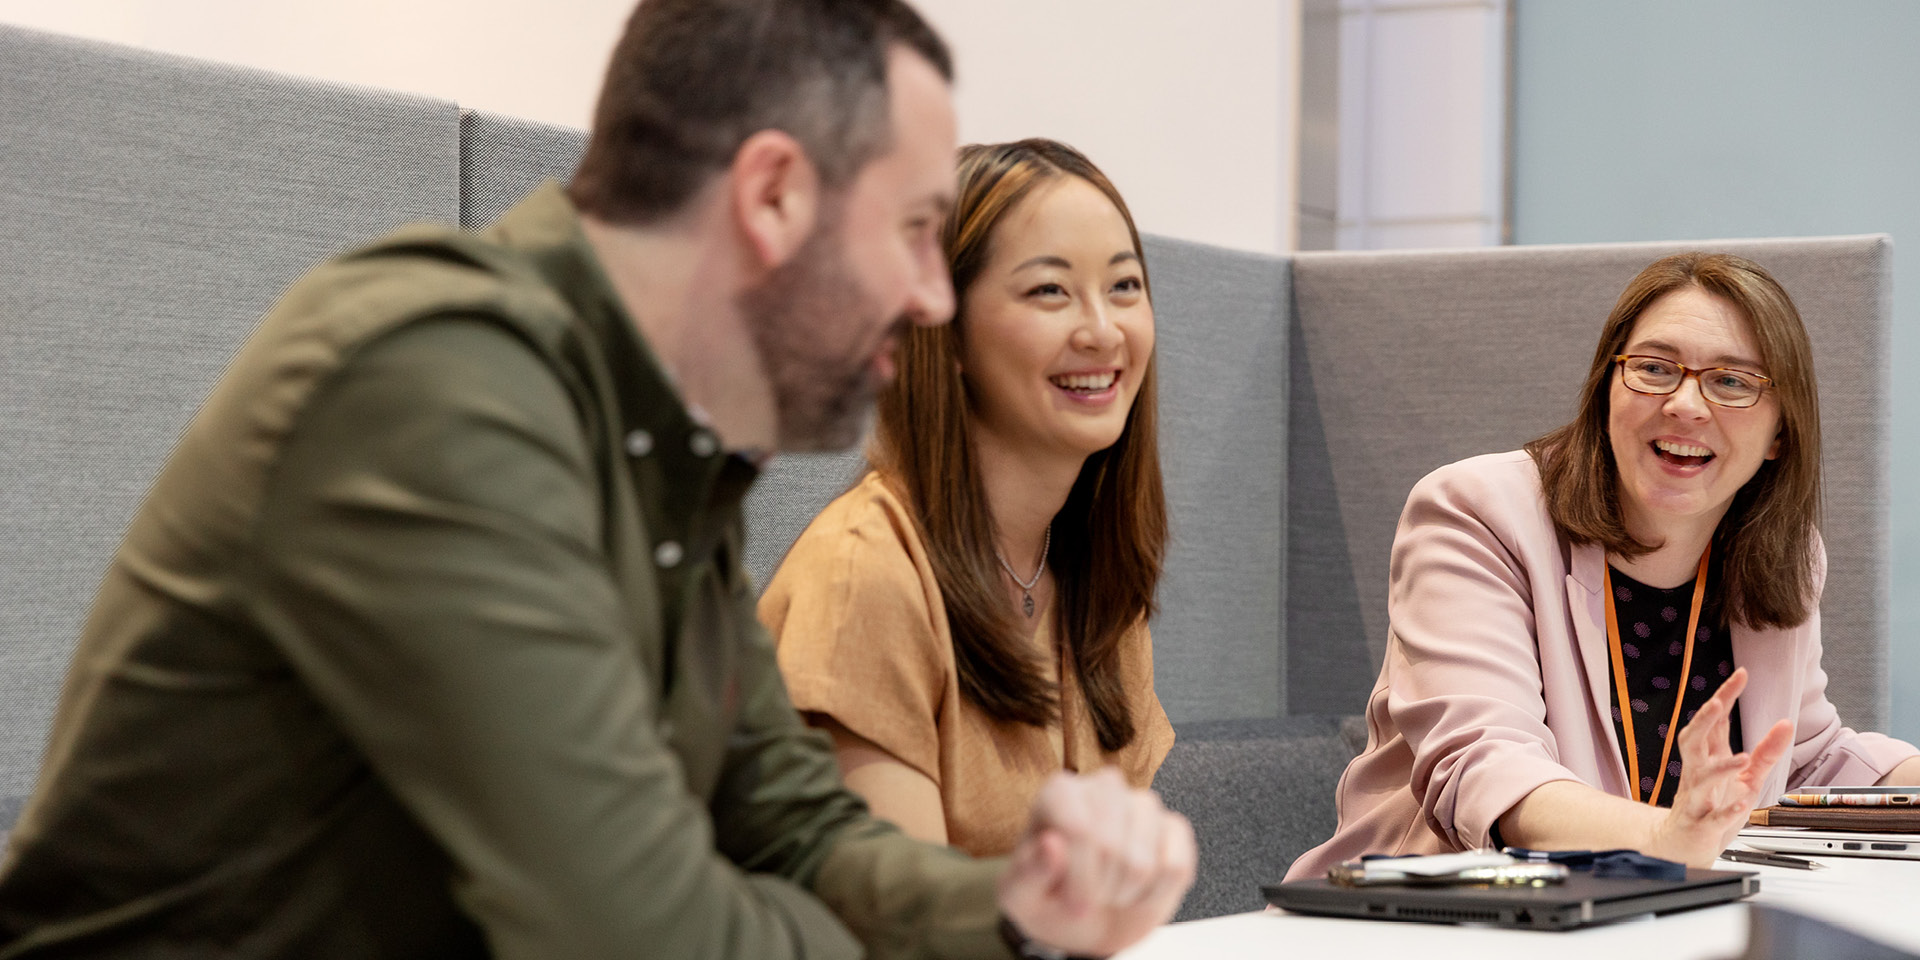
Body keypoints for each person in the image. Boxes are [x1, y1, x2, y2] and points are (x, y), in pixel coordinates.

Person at [0, 2, 1195, 957]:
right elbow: (633, 928)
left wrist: (1016, 910)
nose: (931, 299)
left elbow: (791, 828)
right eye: (913, 232)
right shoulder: (441, 384)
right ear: (774, 195)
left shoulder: (672, 451)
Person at [1286, 251, 1920, 880]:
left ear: (1782, 432)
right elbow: (1488, 772)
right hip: (1428, 924)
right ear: (1606, 389)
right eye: (1654, 368)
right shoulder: (1478, 513)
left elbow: (1806, 758)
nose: (1686, 404)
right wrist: (1669, 838)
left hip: (1651, 925)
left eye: (1733, 381)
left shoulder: (1779, 555)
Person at [759, 139, 1174, 857]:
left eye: (1124, 287)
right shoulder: (867, 578)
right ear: (944, 331)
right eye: (1050, 290)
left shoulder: (1096, 582)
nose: (1103, 330)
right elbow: (902, 927)